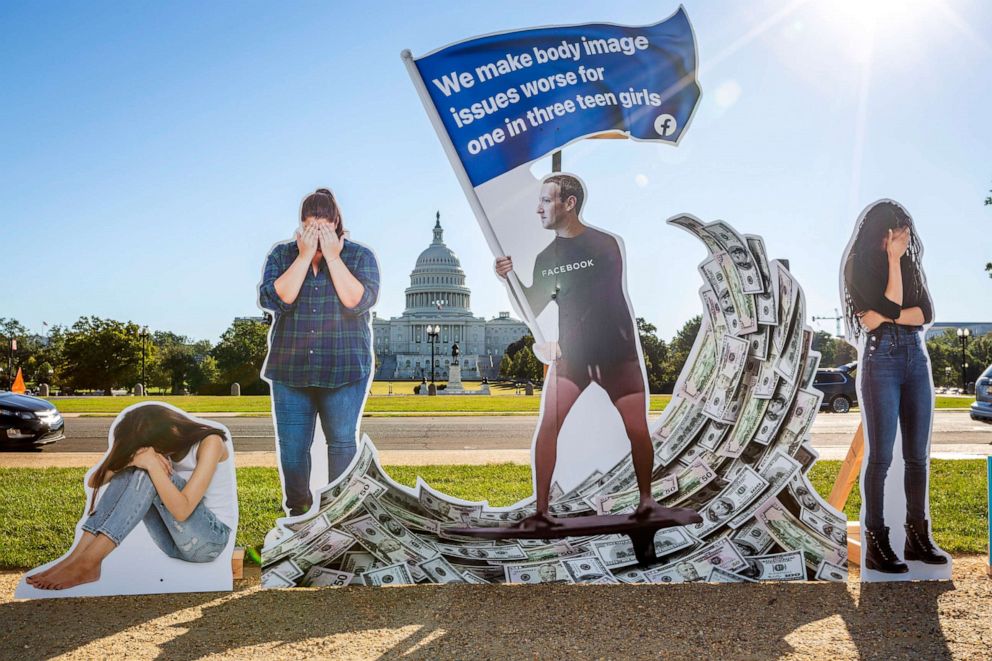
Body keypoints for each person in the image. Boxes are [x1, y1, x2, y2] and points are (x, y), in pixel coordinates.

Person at [494, 173, 669, 526]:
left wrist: (567, 330)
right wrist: (508, 279)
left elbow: (600, 293)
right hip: (573, 357)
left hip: (616, 354)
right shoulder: (546, 258)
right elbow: (532, 305)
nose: (538, 208)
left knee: (636, 427)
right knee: (549, 424)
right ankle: (541, 511)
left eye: (546, 200)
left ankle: (647, 501)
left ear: (569, 203)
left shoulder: (605, 244)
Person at [259, 188, 380, 516]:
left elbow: (356, 301)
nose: (315, 234)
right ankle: (298, 514)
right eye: (309, 226)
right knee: (294, 452)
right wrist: (303, 257)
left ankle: (340, 515)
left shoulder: (359, 257)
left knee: (341, 443)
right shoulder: (282, 256)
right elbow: (276, 298)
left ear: (336, 223)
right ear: (300, 226)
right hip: (290, 371)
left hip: (344, 369)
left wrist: (333, 257)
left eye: (322, 227)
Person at [842, 200, 947, 573]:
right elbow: (893, 302)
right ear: (882, 232)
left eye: (906, 229)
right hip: (881, 360)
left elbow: (926, 313)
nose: (904, 236)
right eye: (897, 229)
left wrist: (887, 314)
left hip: (915, 359)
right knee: (882, 457)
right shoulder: (858, 265)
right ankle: (877, 541)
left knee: (917, 457)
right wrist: (891, 263)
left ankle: (918, 537)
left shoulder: (911, 264)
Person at [26, 404, 235, 590]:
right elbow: (95, 482)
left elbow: (183, 510)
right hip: (173, 545)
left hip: (211, 542)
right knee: (133, 469)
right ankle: (75, 559)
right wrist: (131, 460)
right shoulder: (157, 446)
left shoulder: (211, 442)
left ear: (169, 432)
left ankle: (89, 563)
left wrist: (152, 464)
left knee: (146, 473)